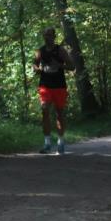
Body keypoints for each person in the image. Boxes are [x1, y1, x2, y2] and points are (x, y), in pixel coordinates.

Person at [33, 27, 75, 155]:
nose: (47, 37)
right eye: (45, 35)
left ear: (54, 36)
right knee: (44, 109)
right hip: (45, 85)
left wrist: (60, 65)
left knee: (59, 113)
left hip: (59, 85)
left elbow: (72, 66)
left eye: (50, 35)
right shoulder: (40, 51)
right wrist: (37, 69)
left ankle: (60, 142)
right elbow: (34, 64)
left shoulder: (60, 50)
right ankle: (47, 144)